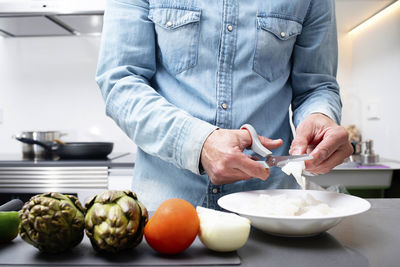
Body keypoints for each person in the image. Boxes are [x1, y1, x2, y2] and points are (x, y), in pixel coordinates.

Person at [96, 0, 353, 211]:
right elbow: (120, 82)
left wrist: (320, 115)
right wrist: (199, 143)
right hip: (166, 214)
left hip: (272, 210)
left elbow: (317, 87)